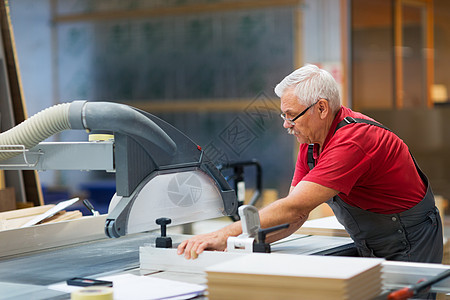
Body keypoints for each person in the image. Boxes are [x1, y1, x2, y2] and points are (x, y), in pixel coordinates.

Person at [177, 64, 443, 263]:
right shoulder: (311, 144)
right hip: (372, 240)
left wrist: (223, 233)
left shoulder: (353, 141)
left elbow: (294, 208)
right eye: (284, 115)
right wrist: (238, 241)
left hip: (408, 240)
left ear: (322, 108)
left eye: (291, 116)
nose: (286, 125)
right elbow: (295, 217)